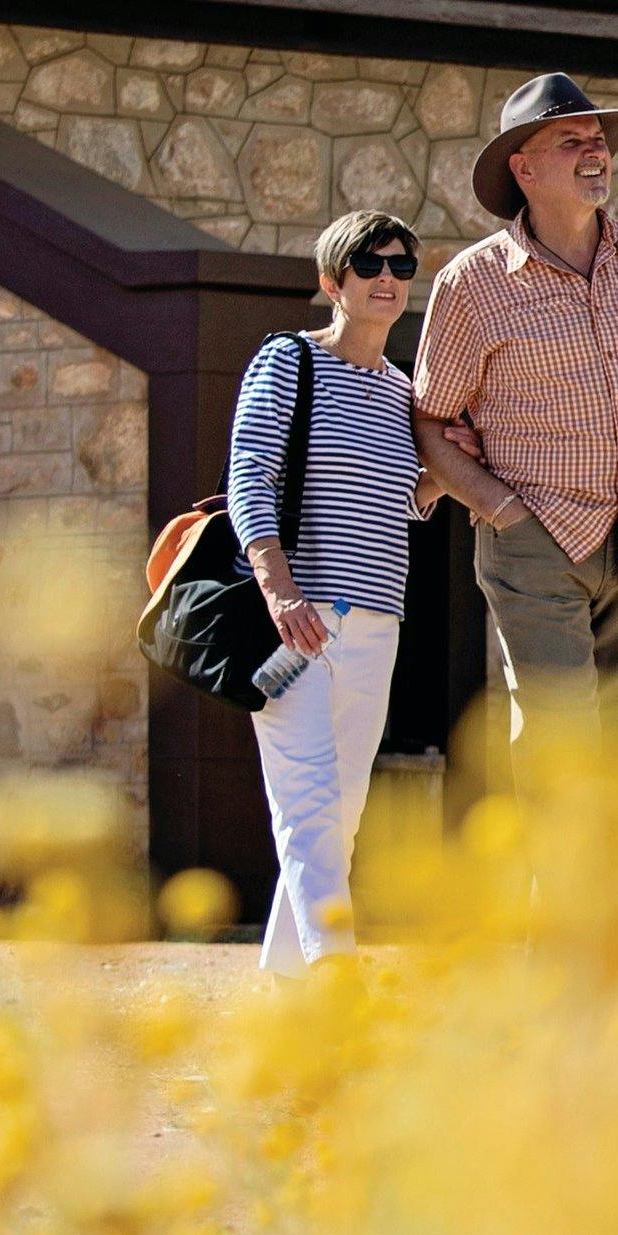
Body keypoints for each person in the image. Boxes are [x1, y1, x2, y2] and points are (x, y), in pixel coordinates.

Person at [232, 207, 529, 968]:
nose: (388, 278)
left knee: (341, 816)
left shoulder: (404, 394)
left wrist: (450, 467)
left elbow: (403, 503)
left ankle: (286, 993)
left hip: (374, 625)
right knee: (309, 809)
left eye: (401, 266)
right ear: (333, 283)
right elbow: (249, 479)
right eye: (369, 265)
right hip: (294, 625)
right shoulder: (288, 362)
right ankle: (336, 979)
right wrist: (280, 591)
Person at [413, 72, 618, 743]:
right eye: (571, 141)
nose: (595, 151)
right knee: (562, 744)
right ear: (524, 168)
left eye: (598, 139)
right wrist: (502, 510)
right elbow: (429, 420)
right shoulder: (472, 283)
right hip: (537, 541)